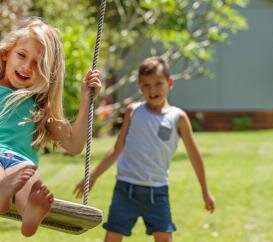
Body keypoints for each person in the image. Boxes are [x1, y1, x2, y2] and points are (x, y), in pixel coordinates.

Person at [74, 56, 216, 242]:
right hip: (126, 189)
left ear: (170, 83)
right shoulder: (134, 112)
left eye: (158, 84)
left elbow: (195, 156)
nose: (152, 90)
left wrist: (205, 191)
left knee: (164, 238)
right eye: (146, 85)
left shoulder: (178, 118)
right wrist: (92, 176)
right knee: (112, 238)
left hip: (157, 192)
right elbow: (117, 149)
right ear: (140, 86)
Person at [0, 17, 102, 237]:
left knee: (30, 185)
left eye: (38, 63)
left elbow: (74, 145)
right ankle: (4, 197)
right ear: (5, 53)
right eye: (22, 55)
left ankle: (29, 216)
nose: (27, 67)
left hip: (20, 163)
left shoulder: (40, 107)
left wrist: (86, 100)